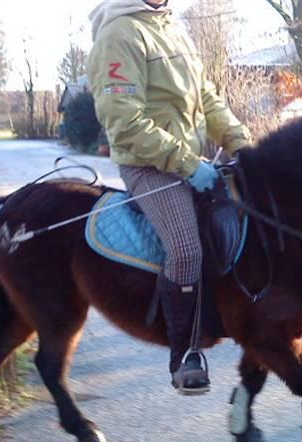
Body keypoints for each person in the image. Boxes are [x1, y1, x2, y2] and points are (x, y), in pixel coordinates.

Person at [86, 0, 251, 394]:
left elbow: (206, 98)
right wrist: (187, 165)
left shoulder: (171, 26)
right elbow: (124, 123)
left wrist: (241, 144)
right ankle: (185, 354)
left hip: (192, 160)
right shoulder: (119, 34)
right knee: (185, 248)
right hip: (149, 166)